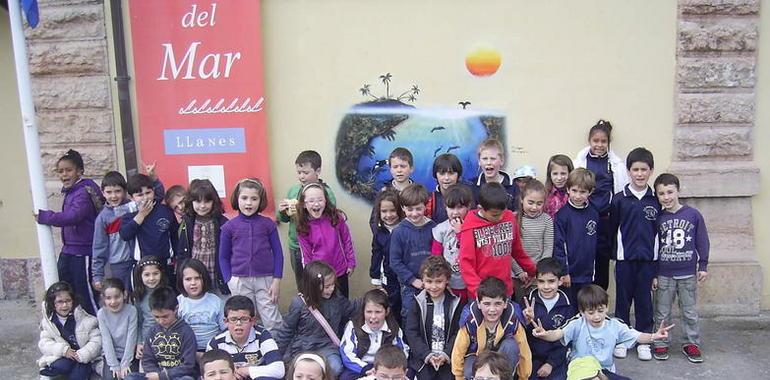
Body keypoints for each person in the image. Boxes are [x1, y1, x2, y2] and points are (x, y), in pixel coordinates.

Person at [531, 285, 673, 376]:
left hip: (605, 369)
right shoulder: (577, 323)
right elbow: (558, 334)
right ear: (581, 311)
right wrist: (545, 334)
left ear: (607, 307)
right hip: (580, 369)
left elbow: (638, 336)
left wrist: (655, 336)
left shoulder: (615, 325)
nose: (597, 316)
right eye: (591, 312)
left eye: (600, 310)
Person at [36, 149, 104, 315]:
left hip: (83, 253)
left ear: (79, 171)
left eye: (68, 170)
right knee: (63, 293)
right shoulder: (72, 191)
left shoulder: (83, 191)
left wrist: (47, 217)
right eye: (60, 171)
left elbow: (73, 216)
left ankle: (99, 332)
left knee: (85, 296)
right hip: (69, 251)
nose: (64, 174)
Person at [652, 173, 710, 363]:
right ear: (657, 195)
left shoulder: (692, 215)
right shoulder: (658, 217)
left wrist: (703, 265)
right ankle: (661, 342)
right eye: (661, 193)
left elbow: (702, 240)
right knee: (662, 311)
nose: (666, 197)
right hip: (664, 273)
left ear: (678, 191)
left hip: (687, 273)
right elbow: (653, 246)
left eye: (670, 192)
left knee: (689, 311)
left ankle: (691, 343)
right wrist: (653, 274)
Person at [608, 147, 659, 361]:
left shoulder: (656, 201)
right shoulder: (619, 200)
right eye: (635, 169)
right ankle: (622, 339)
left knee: (644, 302)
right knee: (622, 301)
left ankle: (643, 341)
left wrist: (657, 267)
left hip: (647, 262)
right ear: (628, 171)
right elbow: (611, 229)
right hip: (624, 261)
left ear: (651, 171)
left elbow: (659, 234)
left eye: (644, 169)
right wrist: (615, 256)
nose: (639, 174)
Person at [220, 178, 283, 332]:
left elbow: (278, 253)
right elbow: (223, 257)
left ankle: (276, 350)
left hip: (266, 280)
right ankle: (250, 349)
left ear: (260, 201)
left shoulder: (268, 224)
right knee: (245, 317)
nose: (249, 203)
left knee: (271, 319)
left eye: (254, 199)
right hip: (240, 280)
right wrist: (229, 279)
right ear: (237, 199)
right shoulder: (229, 227)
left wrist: (276, 280)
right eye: (244, 198)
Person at [573, 120, 629, 291]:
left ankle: (599, 299)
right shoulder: (579, 163)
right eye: (595, 141)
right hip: (583, 218)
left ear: (608, 143)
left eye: (603, 141)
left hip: (605, 220)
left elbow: (619, 189)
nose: (599, 145)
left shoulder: (616, 165)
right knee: (583, 256)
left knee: (602, 259)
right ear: (589, 141)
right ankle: (582, 297)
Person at [274, 261, 353, 377]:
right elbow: (287, 331)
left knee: (334, 368)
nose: (331, 289)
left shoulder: (337, 299)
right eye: (327, 286)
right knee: (303, 372)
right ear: (313, 285)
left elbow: (352, 308)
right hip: (303, 348)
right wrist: (274, 357)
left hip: (328, 346)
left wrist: (371, 301)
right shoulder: (299, 303)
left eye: (333, 285)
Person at [459, 182, 536, 299]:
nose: (500, 218)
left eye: (502, 213)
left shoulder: (509, 217)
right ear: (481, 208)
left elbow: (517, 250)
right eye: (495, 215)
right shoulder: (470, 227)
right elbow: (466, 264)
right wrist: (478, 292)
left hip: (504, 291)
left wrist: (532, 272)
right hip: (481, 294)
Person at [92, 169, 163, 293]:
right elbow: (99, 248)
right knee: (122, 294)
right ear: (102, 193)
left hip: (138, 260)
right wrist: (97, 275)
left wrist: (154, 179)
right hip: (118, 264)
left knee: (141, 294)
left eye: (118, 191)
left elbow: (157, 197)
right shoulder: (103, 218)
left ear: (125, 192)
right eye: (109, 192)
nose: (113, 196)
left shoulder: (133, 206)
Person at [277, 150, 338, 289]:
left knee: (323, 283)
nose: (301, 176)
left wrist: (304, 208)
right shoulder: (293, 190)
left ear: (318, 171)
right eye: (299, 172)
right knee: (303, 284)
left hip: (319, 247)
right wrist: (282, 212)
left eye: (305, 172)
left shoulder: (326, 192)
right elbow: (285, 218)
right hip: (296, 246)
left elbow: (332, 217)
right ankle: (307, 309)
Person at [451, 277, 532, 380]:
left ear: (506, 303)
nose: (492, 309)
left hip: (500, 357)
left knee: (511, 345)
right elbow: (458, 350)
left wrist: (523, 377)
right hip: (477, 357)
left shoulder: (512, 321)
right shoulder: (470, 320)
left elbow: (524, 351)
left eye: (498, 304)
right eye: (487, 304)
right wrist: (458, 376)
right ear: (479, 303)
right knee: (468, 372)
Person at [405, 256, 464, 380]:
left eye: (438, 281)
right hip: (423, 360)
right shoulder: (417, 302)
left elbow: (458, 333)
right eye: (429, 281)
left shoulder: (455, 303)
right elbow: (411, 332)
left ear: (447, 280)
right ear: (423, 281)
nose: (434, 286)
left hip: (448, 360)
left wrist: (446, 354)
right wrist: (426, 354)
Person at [296, 183, 356, 298]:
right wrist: (310, 276)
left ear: (326, 201)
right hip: (320, 276)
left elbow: (347, 240)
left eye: (320, 200)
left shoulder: (336, 217)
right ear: (304, 204)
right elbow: (306, 255)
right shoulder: (303, 226)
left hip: (340, 270)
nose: (317, 204)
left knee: (342, 302)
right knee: (324, 307)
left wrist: (351, 262)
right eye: (311, 201)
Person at [126, 286, 197, 380]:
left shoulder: (186, 332)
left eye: (165, 316)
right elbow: (147, 360)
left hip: (178, 376)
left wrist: (162, 376)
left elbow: (188, 365)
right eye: (156, 317)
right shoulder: (152, 331)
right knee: (130, 377)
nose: (161, 321)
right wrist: (156, 375)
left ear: (176, 309)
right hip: (155, 375)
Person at [389, 183, 436, 321]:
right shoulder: (398, 232)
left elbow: (437, 256)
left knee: (430, 317)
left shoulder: (433, 227)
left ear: (425, 206)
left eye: (418, 208)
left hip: (432, 284)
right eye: (409, 209)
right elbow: (394, 262)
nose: (414, 213)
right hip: (409, 286)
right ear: (403, 208)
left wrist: (432, 280)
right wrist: (412, 280)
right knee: (410, 317)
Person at [207, 295, 284, 379]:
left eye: (244, 319)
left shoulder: (262, 336)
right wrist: (231, 372)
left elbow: (279, 369)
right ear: (226, 321)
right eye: (233, 319)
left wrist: (246, 370)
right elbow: (208, 373)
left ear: (253, 321)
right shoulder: (216, 343)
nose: (238, 323)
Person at [522, 258, 575, 380]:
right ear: (536, 281)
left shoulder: (567, 306)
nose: (546, 287)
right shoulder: (528, 302)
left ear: (560, 281)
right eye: (541, 281)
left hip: (556, 360)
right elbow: (520, 337)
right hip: (532, 357)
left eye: (551, 281)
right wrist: (526, 321)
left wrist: (551, 363)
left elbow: (567, 340)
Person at [553, 168, 599, 305]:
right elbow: (559, 245)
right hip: (570, 275)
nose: (578, 196)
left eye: (583, 192)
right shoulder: (562, 215)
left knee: (586, 307)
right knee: (571, 308)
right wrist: (564, 272)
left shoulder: (594, 213)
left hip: (588, 273)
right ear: (568, 189)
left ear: (590, 192)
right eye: (574, 191)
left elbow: (594, 244)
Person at [38, 281, 101, 380]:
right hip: (66, 355)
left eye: (68, 301)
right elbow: (44, 343)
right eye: (60, 302)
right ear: (53, 304)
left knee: (77, 376)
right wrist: (63, 350)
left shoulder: (85, 320)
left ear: (73, 301)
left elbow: (97, 340)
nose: (64, 305)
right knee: (59, 366)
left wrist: (82, 354)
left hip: (83, 357)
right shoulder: (49, 322)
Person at [177, 179, 230, 295]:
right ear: (190, 202)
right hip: (194, 279)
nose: (202, 206)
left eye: (207, 201)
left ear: (214, 201)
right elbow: (182, 253)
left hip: (217, 278)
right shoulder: (187, 223)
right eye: (197, 201)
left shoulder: (223, 223)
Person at [119, 172, 178, 277]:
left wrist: (177, 258)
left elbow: (175, 236)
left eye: (148, 193)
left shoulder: (165, 210)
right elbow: (125, 235)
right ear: (132, 197)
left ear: (153, 192)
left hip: (166, 264)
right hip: (143, 265)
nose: (145, 198)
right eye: (140, 195)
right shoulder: (129, 214)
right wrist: (141, 215)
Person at [340, 289, 407, 379]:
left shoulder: (393, 327)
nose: (373, 316)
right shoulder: (353, 326)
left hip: (386, 368)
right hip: (361, 367)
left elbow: (402, 352)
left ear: (386, 311)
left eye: (378, 312)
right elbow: (347, 354)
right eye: (369, 312)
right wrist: (365, 368)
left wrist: (387, 369)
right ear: (363, 311)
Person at [512, 178, 554, 303]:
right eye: (530, 202)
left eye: (539, 203)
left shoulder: (547, 220)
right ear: (521, 199)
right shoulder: (513, 219)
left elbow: (547, 249)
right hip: (517, 275)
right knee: (521, 306)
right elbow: (508, 250)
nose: (534, 207)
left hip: (538, 276)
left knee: (535, 307)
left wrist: (536, 272)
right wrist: (519, 272)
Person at [430, 184, 474, 302]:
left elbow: (472, 250)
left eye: (460, 207)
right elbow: (436, 257)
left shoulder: (473, 227)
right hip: (449, 283)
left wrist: (460, 233)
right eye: (451, 208)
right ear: (445, 207)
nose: (455, 212)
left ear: (468, 206)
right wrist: (441, 281)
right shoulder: (441, 229)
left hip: (469, 283)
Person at [176, 259, 225, 358]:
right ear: (181, 281)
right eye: (188, 279)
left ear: (204, 279)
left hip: (213, 349)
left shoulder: (216, 301)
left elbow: (225, 329)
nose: (193, 283)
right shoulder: (178, 302)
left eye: (197, 278)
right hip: (187, 350)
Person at [369, 190, 404, 321]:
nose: (389, 215)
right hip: (388, 279)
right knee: (391, 309)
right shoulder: (379, 232)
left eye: (393, 210)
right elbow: (376, 255)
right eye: (384, 211)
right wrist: (376, 279)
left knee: (406, 311)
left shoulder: (405, 229)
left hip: (405, 278)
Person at [97, 278, 138, 380]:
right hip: (111, 355)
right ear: (103, 298)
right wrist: (114, 365)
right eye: (108, 298)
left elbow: (131, 338)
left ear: (124, 294)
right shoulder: (102, 314)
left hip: (129, 355)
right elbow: (106, 340)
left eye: (117, 297)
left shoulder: (131, 311)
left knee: (130, 377)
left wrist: (125, 363)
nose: (113, 301)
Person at [369, 147, 416, 233]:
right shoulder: (383, 191)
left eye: (403, 166)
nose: (399, 170)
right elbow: (374, 220)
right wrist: (383, 238)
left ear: (411, 168)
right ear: (390, 169)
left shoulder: (418, 192)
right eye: (395, 167)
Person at [131, 255, 169, 360]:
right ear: (140, 276)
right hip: (146, 341)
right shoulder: (138, 297)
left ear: (161, 273)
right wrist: (139, 343)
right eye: (147, 275)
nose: (151, 278)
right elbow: (138, 322)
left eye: (155, 274)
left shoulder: (168, 294)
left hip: (167, 340)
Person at [472, 138, 519, 211]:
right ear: (479, 161)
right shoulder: (473, 186)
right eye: (484, 159)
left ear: (502, 161)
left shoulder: (513, 187)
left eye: (493, 159)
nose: (488, 162)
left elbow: (516, 212)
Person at [426, 153, 464, 224]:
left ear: (458, 174)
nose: (446, 178)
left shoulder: (467, 197)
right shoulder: (429, 200)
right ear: (435, 175)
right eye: (442, 173)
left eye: (451, 173)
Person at [543, 154, 574, 219]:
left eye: (563, 173)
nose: (559, 178)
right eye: (555, 174)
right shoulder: (545, 195)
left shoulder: (575, 194)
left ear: (570, 173)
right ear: (550, 175)